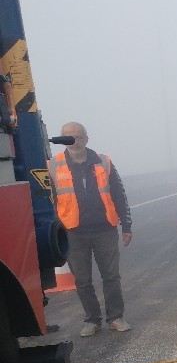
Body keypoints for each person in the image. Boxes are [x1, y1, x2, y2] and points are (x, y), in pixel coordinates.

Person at [49, 122, 133, 337]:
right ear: (62, 139)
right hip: (73, 232)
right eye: (68, 137)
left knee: (111, 276)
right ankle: (92, 320)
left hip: (104, 229)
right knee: (83, 280)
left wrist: (126, 225)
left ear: (86, 138)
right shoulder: (52, 166)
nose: (74, 141)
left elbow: (118, 194)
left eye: (78, 136)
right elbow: (48, 201)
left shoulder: (104, 162)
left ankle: (116, 317)